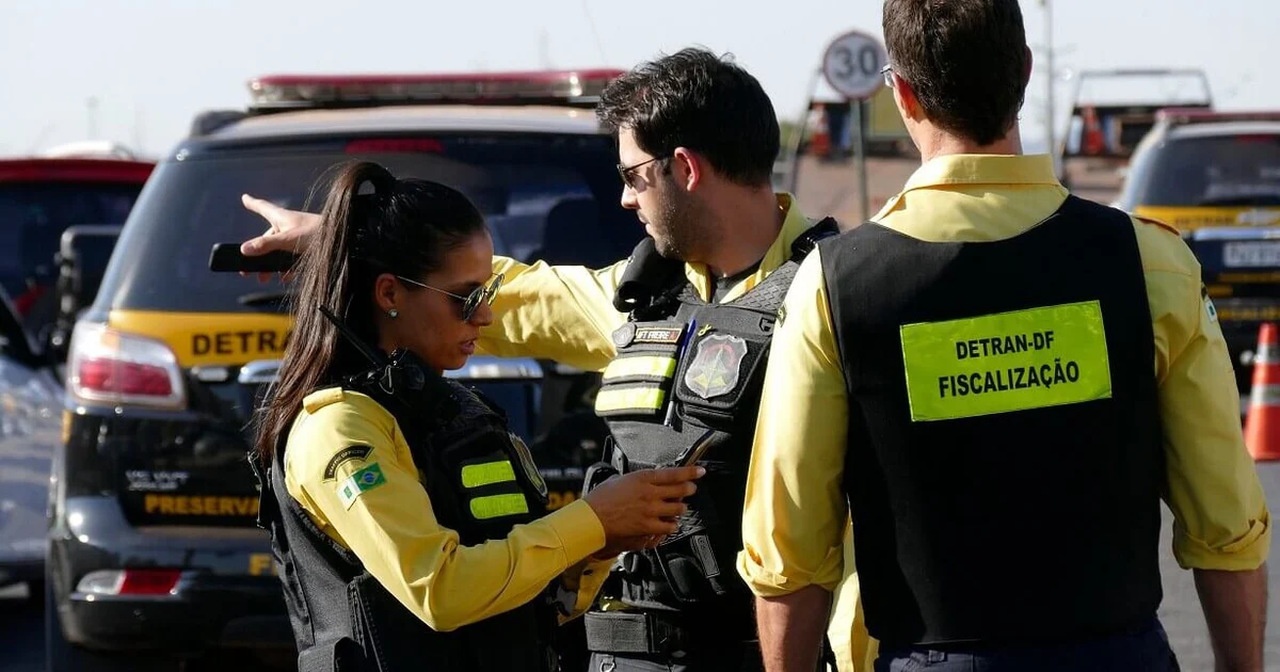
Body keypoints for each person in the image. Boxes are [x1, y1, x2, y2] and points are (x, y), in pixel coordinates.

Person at [239, 48, 864, 672]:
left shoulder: (841, 296)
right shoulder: (640, 296)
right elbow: (487, 290)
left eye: (631, 175)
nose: (625, 199)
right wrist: (346, 236)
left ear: (684, 168)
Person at [736, 1, 1272, 671]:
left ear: (901, 92)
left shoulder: (832, 288)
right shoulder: (1147, 264)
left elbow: (790, 555)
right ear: (1023, 72)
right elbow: (1225, 524)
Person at [250, 159, 704, 672]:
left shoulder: (458, 409)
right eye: (466, 298)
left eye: (487, 293)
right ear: (389, 294)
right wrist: (593, 520)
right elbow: (441, 591)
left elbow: (533, 588)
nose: (485, 316)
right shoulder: (339, 427)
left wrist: (600, 545)